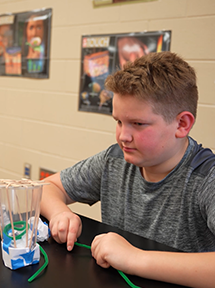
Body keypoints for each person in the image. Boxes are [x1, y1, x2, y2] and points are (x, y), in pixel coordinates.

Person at [40, 51, 215, 287]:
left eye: (138, 124)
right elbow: (46, 187)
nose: (123, 136)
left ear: (182, 124)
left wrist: (136, 259)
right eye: (119, 121)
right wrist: (60, 213)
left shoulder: (206, 178)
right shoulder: (115, 160)